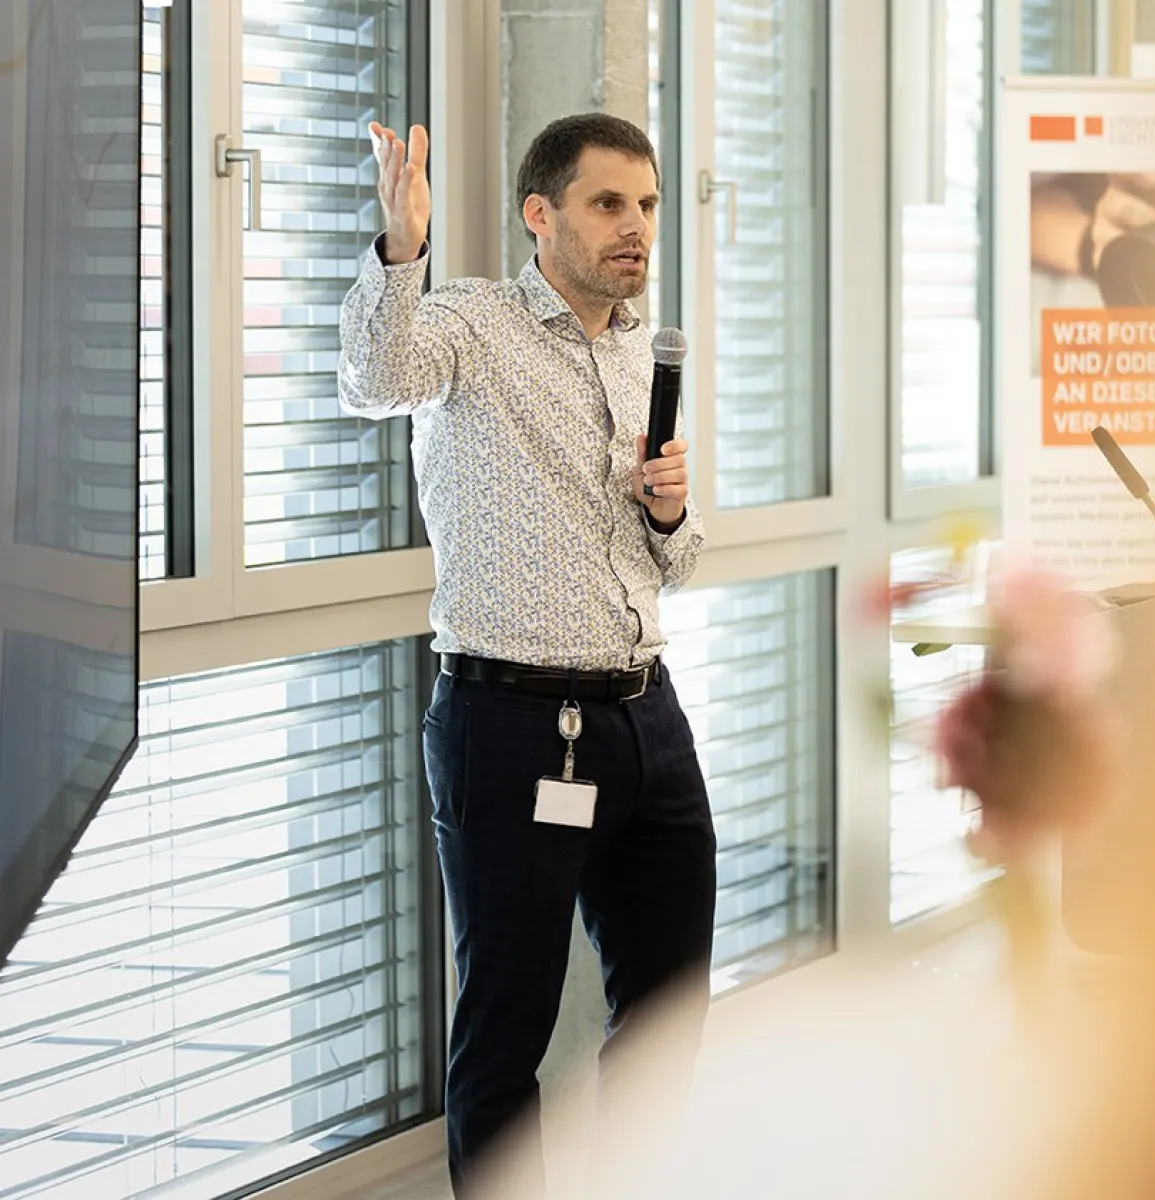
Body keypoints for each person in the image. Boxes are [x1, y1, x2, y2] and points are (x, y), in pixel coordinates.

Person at [337, 113, 717, 1196]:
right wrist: (402, 245)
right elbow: (374, 378)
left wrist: (669, 513)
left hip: (646, 717)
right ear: (539, 214)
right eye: (609, 203)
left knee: (669, 1012)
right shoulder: (470, 322)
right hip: (510, 728)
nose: (636, 226)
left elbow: (677, 561)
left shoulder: (646, 350)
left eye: (647, 204)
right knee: (507, 1030)